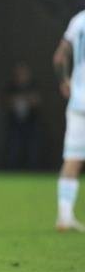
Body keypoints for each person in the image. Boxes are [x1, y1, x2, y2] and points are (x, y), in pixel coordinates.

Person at [52, 19, 85, 231]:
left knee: (72, 159)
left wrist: (64, 80)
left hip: (78, 101)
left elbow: (58, 57)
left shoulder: (79, 20)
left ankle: (64, 216)